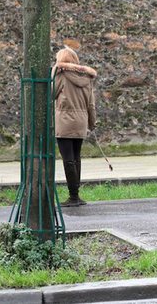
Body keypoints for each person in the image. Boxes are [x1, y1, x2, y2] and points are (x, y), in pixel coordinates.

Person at [52, 42, 97, 207]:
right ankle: (76, 195)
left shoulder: (61, 76)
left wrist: (54, 71)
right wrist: (91, 124)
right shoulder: (87, 78)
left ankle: (73, 197)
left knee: (68, 160)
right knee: (76, 159)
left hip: (64, 123)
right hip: (81, 122)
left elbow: (51, 94)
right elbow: (91, 105)